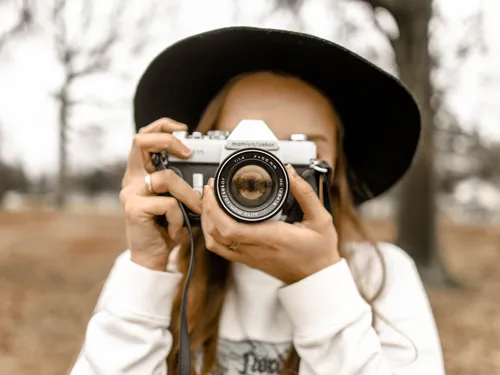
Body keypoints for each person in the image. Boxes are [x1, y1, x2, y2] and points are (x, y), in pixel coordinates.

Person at [69, 27, 445, 375]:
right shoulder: (157, 270)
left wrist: (319, 281)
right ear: (196, 157)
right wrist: (146, 269)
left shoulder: (381, 274)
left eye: (299, 148)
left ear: (335, 170)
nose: (268, 171)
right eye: (240, 148)